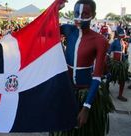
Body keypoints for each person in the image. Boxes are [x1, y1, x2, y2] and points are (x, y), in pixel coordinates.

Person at [51, 0, 114, 136]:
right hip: (67, 93)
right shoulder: (69, 30)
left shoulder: (100, 40)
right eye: (76, 13)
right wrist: (55, 10)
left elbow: (97, 77)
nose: (79, 18)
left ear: (93, 15)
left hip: (86, 93)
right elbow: (48, 29)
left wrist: (86, 107)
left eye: (85, 14)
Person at [108, 27, 129, 101]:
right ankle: (106, 89)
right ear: (119, 35)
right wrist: (108, 61)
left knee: (122, 79)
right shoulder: (115, 42)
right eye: (122, 35)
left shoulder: (122, 42)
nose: (124, 36)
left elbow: (123, 53)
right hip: (115, 63)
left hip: (121, 64)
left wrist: (125, 60)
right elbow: (109, 52)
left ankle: (120, 95)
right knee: (110, 77)